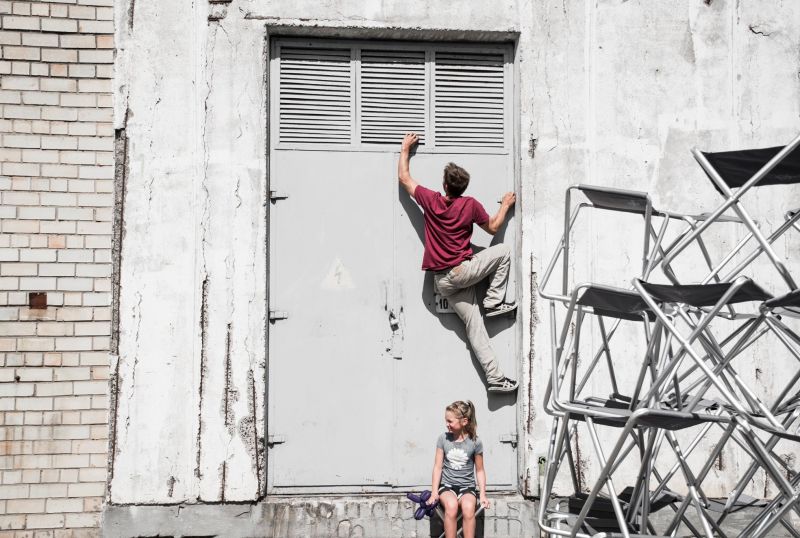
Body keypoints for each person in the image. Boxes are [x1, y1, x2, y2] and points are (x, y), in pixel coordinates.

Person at [398, 132, 518, 393]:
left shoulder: (431, 200)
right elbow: (494, 227)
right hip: (461, 272)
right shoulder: (470, 205)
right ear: (464, 187)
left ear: (444, 184)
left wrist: (405, 148)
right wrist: (506, 204)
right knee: (505, 251)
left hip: (443, 282)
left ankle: (496, 379)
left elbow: (404, 179)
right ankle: (494, 302)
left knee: (475, 329)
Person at [428, 401, 488, 538]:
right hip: (447, 487)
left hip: (467, 487)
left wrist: (483, 494)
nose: (447, 424)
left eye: (450, 421)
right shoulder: (443, 439)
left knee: (468, 508)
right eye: (446, 420)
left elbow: (480, 470)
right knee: (451, 505)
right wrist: (434, 492)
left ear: (464, 421)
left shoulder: (475, 442)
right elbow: (438, 467)